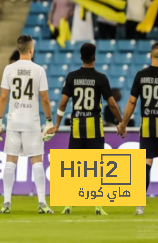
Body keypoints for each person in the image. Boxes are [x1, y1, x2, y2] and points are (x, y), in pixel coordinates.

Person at [47, 43, 123, 215]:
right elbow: (111, 103)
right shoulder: (101, 78)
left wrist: (57, 124)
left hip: (77, 126)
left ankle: (68, 204)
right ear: (94, 57)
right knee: (96, 166)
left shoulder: (72, 77)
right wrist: (121, 122)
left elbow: (63, 103)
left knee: (74, 166)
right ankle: (98, 206)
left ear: (80, 57)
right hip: (94, 126)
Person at [118, 43, 158, 216]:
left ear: (150, 56)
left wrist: (123, 124)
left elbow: (132, 102)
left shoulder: (141, 75)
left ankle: (139, 206)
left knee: (146, 164)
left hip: (146, 125)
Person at [0, 35, 53, 214]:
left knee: (10, 160)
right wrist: (49, 121)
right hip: (31, 122)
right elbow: (44, 98)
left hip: (13, 120)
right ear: (31, 49)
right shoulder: (38, 70)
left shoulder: (9, 69)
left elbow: (4, 97)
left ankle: (6, 203)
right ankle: (42, 203)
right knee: (36, 161)